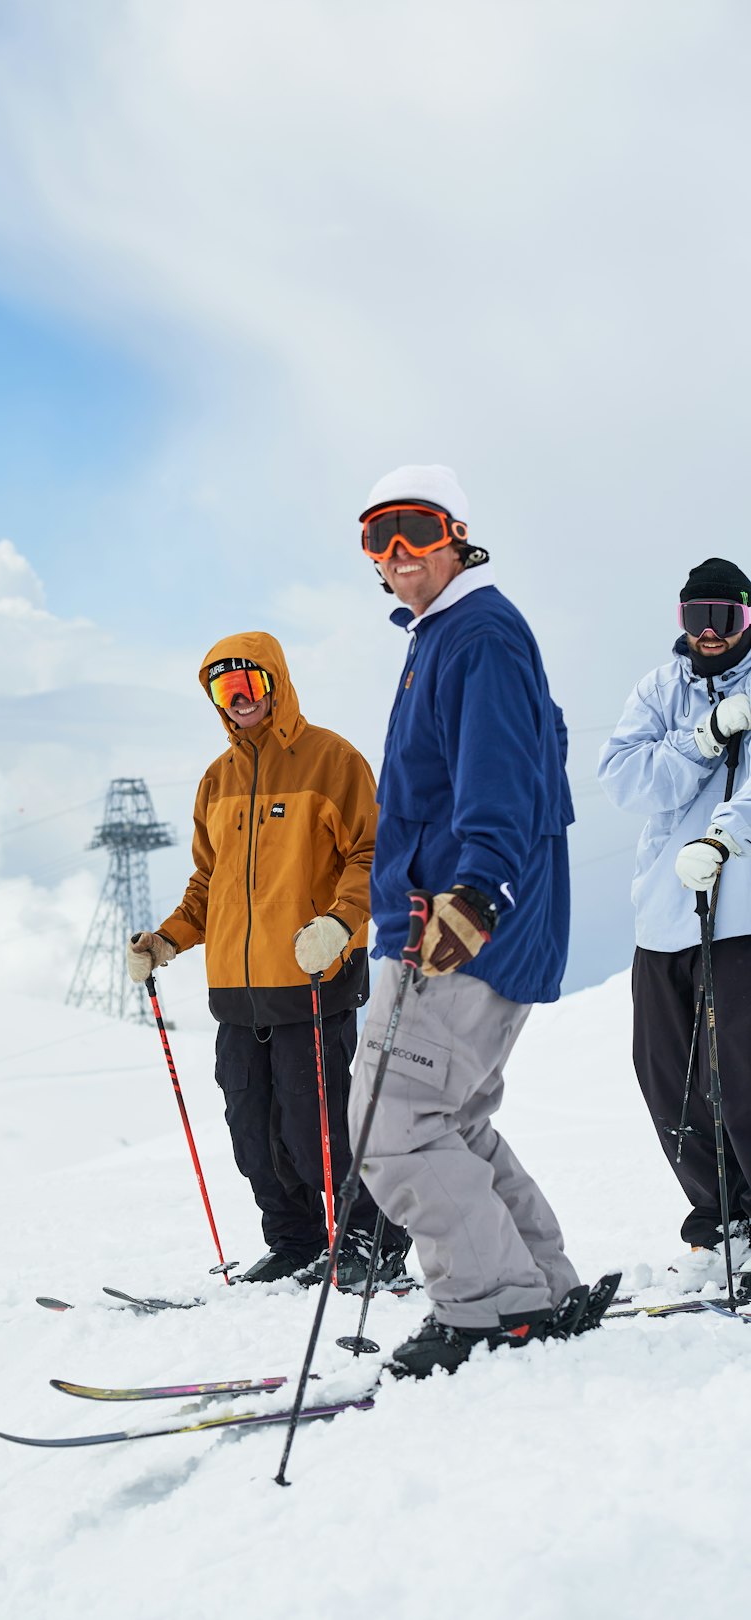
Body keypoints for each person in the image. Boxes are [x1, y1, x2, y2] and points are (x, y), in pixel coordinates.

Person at [348, 463, 587, 1379]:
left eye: (415, 529)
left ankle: (491, 1306)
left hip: (458, 918)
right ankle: (538, 1285)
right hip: (449, 910)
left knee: (392, 1117)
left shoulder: (477, 632)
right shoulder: (448, 635)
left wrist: (479, 892)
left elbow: (505, 774)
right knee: (454, 1114)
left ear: (457, 533)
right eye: (379, 536)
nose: (399, 553)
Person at [126, 631, 410, 1288]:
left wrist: (340, 924)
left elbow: (374, 856)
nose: (239, 699)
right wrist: (165, 941)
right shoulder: (216, 781)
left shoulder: (331, 761)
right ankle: (296, 1240)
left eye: (249, 684)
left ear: (275, 684)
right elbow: (207, 884)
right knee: (254, 1135)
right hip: (236, 992)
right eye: (224, 689)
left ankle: (376, 1239)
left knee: (320, 1131)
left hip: (314, 981)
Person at [599, 558, 751, 1289]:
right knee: (667, 1076)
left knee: (745, 1077)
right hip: (664, 915)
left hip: (742, 916)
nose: (711, 635)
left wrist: (723, 838)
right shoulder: (660, 690)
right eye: (698, 619)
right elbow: (624, 777)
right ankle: (720, 1221)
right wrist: (704, 737)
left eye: (726, 618)